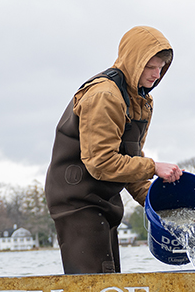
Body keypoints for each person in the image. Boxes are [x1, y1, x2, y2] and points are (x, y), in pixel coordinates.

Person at [45, 26, 183, 274]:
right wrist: (154, 167)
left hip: (104, 200)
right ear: (133, 61)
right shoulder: (104, 95)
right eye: (150, 67)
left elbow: (129, 162)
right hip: (76, 200)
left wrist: (158, 202)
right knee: (94, 286)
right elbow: (101, 162)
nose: (156, 74)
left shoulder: (142, 101)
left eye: (161, 68)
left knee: (110, 279)